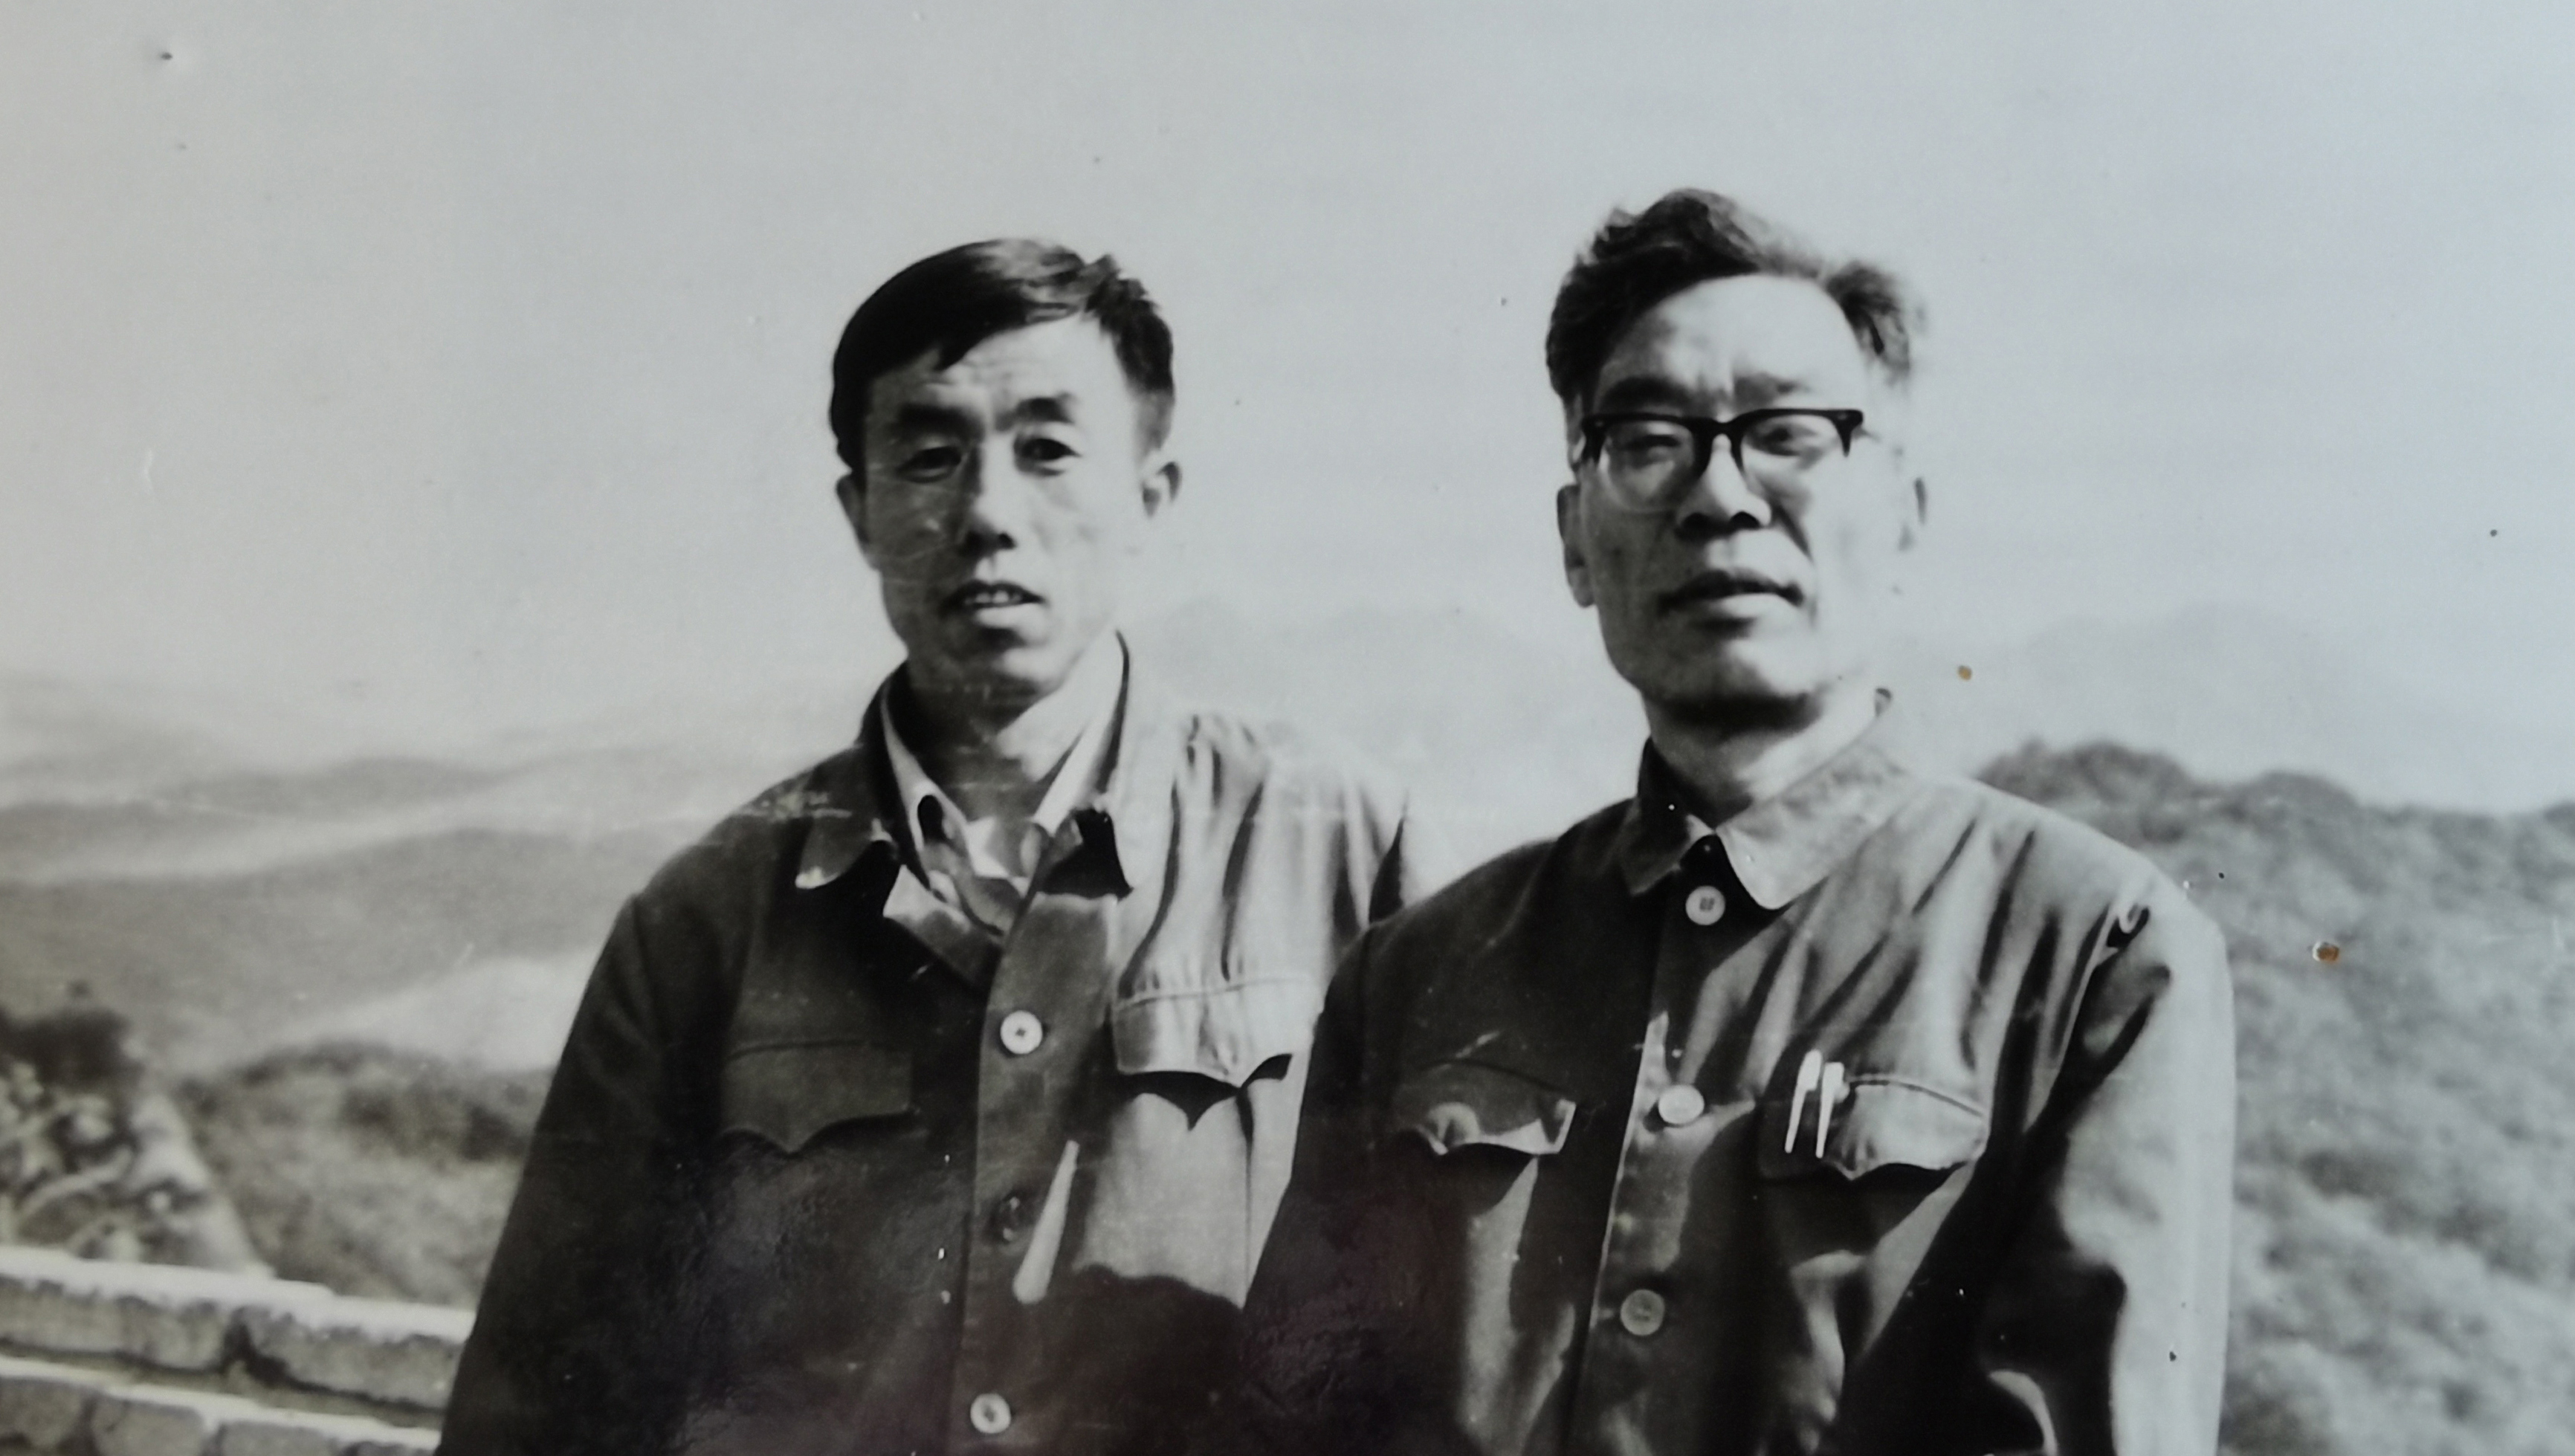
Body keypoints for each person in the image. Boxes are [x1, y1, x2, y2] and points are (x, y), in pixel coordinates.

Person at [1227, 190, 2235, 1455]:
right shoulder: (1417, 975)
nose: (1719, 496)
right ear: (1576, 542)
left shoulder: (2093, 952)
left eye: (1790, 434)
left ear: (1905, 516)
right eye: (1648, 441)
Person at [441, 239, 1435, 1456]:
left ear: (1151, 497)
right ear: (860, 512)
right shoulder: (704, 920)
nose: (988, 515)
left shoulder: (1340, 848)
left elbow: (1453, 1354)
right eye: (928, 457)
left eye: (1049, 450)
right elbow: (540, 1408)